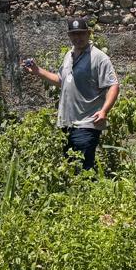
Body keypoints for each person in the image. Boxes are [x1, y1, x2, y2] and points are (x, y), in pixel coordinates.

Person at [22, 17, 120, 171]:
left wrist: (104, 110)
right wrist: (38, 71)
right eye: (74, 34)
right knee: (69, 171)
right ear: (69, 35)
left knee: (83, 172)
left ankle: (89, 195)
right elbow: (61, 80)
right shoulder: (69, 55)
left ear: (88, 34)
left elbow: (113, 85)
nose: (77, 38)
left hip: (87, 124)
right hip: (66, 125)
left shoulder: (99, 57)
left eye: (81, 34)